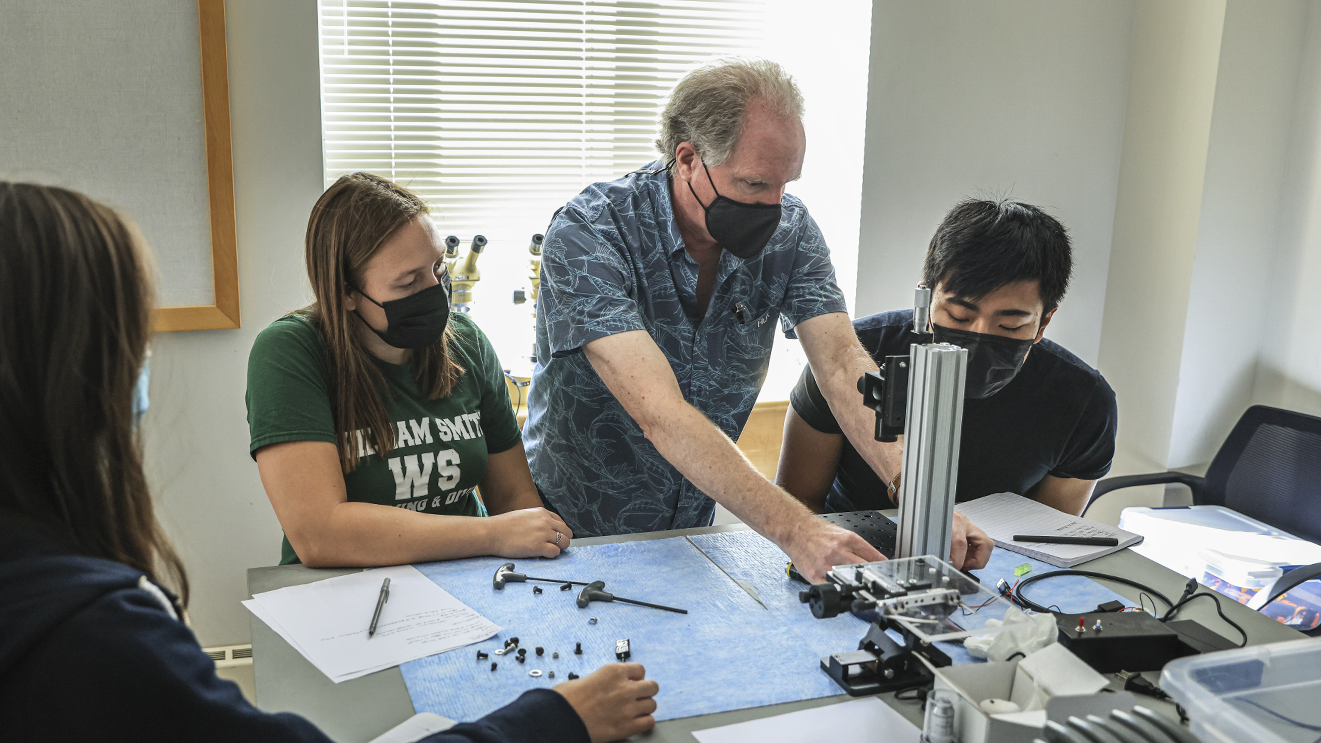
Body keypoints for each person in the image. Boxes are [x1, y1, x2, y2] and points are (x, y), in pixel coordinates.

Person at [0, 182, 659, 743]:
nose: (141, 362)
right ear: (54, 381)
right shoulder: (86, 641)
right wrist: (553, 718)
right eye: (125, 340)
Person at [524, 59, 991, 580]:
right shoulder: (590, 234)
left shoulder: (791, 231)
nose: (773, 206)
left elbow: (840, 363)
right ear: (687, 159)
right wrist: (797, 529)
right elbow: (659, 410)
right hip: (568, 533)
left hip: (690, 534)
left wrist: (917, 492)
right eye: (753, 184)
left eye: (784, 184)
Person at [247, 173, 571, 568]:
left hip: (473, 578)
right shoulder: (289, 353)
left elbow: (514, 498)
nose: (434, 291)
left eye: (437, 268)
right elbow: (321, 534)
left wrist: (532, 542)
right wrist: (492, 534)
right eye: (407, 282)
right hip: (343, 590)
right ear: (346, 292)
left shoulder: (465, 342)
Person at [776, 199, 1117, 517]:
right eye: (958, 317)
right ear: (926, 299)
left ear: (1044, 321)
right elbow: (796, 503)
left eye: (1010, 324)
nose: (980, 337)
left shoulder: (1084, 402)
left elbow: (1044, 540)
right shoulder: (849, 359)